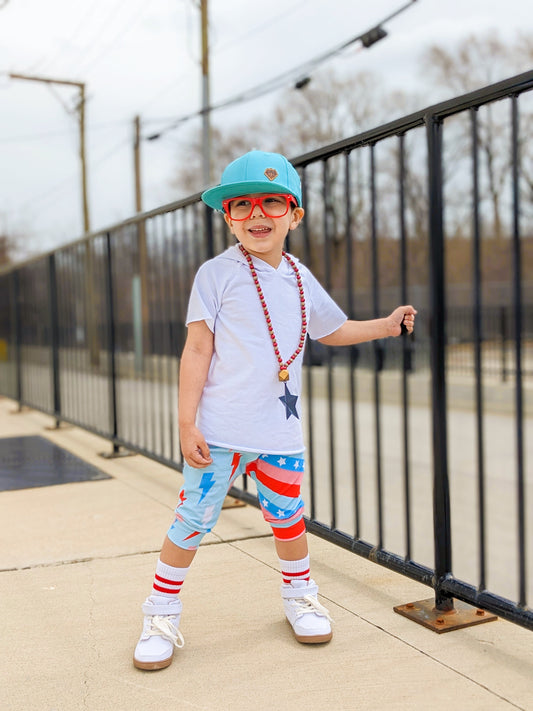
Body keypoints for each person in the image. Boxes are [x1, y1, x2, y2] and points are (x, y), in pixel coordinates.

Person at [133, 150, 416, 670]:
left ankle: (298, 597)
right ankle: (160, 612)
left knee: (287, 520)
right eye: (241, 205)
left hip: (279, 434)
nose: (256, 214)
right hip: (218, 430)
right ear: (227, 218)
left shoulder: (299, 278)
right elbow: (196, 350)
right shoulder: (215, 275)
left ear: (294, 213)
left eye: (271, 202)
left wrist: (384, 324)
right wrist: (185, 421)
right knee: (192, 519)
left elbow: (331, 329)